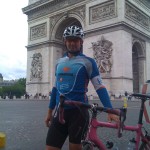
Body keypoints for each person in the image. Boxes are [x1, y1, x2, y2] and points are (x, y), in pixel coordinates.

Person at [45, 25, 119, 150]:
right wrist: (49, 112)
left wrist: (109, 110)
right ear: (64, 41)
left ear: (81, 42)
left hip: (78, 114)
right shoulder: (58, 62)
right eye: (69, 40)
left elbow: (99, 87)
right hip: (59, 112)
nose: (72, 43)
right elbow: (55, 88)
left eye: (75, 40)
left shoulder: (89, 62)